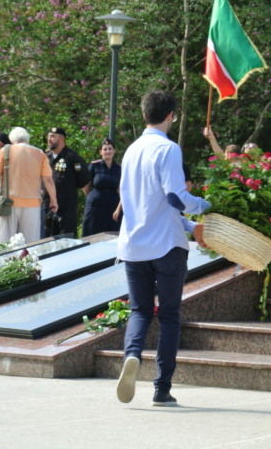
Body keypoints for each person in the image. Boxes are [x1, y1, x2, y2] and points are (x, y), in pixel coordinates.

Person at [115, 90, 211, 407]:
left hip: (133, 245)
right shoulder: (167, 149)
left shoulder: (129, 151)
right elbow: (174, 198)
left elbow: (143, 203)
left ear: (144, 115)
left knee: (140, 311)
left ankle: (132, 355)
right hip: (167, 246)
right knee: (169, 316)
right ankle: (162, 388)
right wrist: (206, 205)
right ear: (171, 116)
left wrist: (188, 224)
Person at [0, 128, 59, 243]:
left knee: (5, 243)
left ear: (12, 140)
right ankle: (29, 261)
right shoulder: (40, 153)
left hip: (8, 203)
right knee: (31, 243)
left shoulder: (5, 151)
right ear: (27, 139)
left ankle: (6, 261)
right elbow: (48, 180)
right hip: (33, 204)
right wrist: (53, 200)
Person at [43, 127, 89, 237]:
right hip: (47, 205)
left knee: (67, 239)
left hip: (66, 208)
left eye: (53, 137)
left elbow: (85, 178)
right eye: (49, 136)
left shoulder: (71, 157)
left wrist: (69, 188)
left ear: (62, 139)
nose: (49, 139)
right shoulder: (45, 157)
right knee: (47, 239)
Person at [82, 138, 122, 236]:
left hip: (113, 207)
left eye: (110, 149)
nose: (107, 151)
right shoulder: (94, 166)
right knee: (92, 234)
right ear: (100, 152)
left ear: (114, 151)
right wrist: (93, 197)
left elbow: (121, 189)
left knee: (113, 235)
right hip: (95, 206)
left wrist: (118, 208)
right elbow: (85, 185)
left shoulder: (119, 168)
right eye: (105, 149)